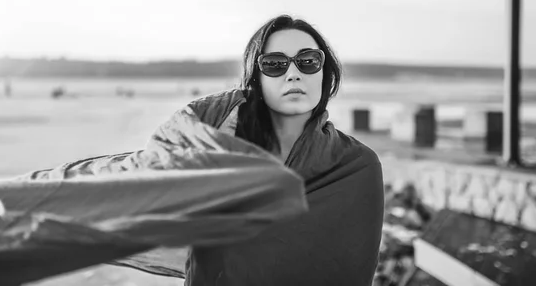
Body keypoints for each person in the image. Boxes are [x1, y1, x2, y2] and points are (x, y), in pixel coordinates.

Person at [146, 14, 384, 285]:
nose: (293, 74)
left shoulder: (357, 167)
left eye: (308, 61)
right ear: (256, 78)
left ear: (324, 72)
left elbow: (353, 271)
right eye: (274, 64)